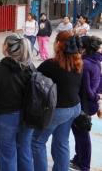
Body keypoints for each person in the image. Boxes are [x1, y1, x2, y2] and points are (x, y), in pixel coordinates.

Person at [0, 34, 34, 171]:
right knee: (25, 151)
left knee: (7, 156)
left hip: (4, 118)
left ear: (6, 48)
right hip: (28, 117)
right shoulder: (30, 68)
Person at [32, 31, 82, 171]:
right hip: (74, 107)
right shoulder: (78, 63)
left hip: (59, 110)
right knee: (61, 142)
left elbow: (33, 78)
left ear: (59, 44)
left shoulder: (50, 65)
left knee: (37, 142)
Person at [71, 36, 102, 171]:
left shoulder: (85, 64)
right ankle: (78, 159)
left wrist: (95, 97)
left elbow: (87, 89)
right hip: (89, 103)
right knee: (80, 134)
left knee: (82, 136)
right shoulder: (96, 61)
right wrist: (98, 96)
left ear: (84, 48)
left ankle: (84, 165)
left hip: (85, 104)